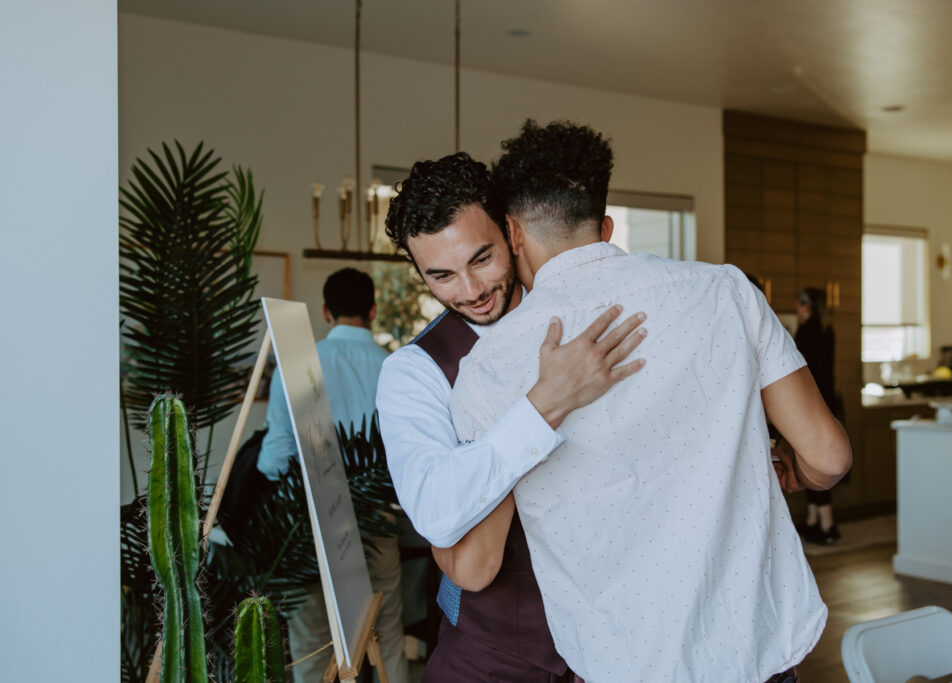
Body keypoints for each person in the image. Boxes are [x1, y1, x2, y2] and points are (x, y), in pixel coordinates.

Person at [447, 120, 852, 682]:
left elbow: (474, 558)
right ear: (605, 225)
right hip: (758, 652)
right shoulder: (727, 289)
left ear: (512, 233)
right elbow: (829, 457)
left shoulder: (488, 367)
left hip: (623, 664)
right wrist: (793, 468)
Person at [376, 152, 646, 681]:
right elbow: (436, 510)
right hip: (494, 655)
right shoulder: (414, 373)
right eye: (442, 276)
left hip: (620, 639)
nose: (471, 291)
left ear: (512, 232)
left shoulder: (594, 317)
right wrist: (542, 405)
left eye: (481, 259)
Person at [257, 268, 408, 683]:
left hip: (310, 525)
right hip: (378, 518)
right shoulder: (397, 367)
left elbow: (273, 459)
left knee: (312, 643)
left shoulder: (300, 364)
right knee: (386, 636)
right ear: (373, 310)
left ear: (326, 312)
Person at [794, 286, 841, 545]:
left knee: (812, 462)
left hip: (810, 403)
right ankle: (814, 520)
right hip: (828, 401)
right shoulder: (827, 329)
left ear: (805, 306)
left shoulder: (807, 330)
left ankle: (826, 524)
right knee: (819, 461)